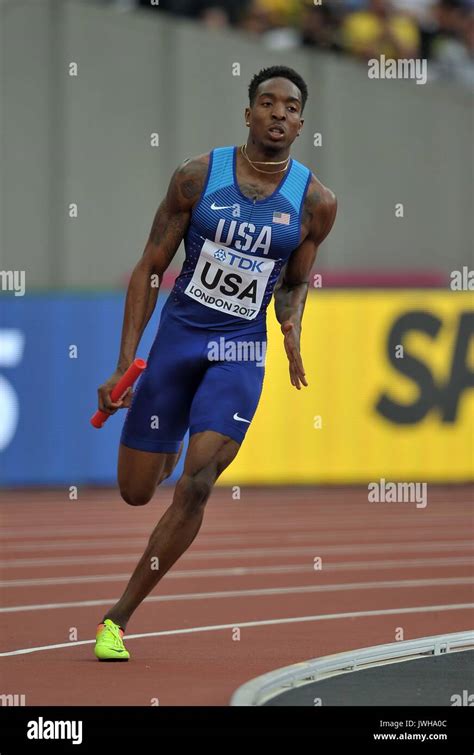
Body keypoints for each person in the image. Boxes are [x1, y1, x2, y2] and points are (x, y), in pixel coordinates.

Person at [94, 65, 337, 661]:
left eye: (291, 107)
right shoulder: (198, 177)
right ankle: (169, 425)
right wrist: (125, 363)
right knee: (135, 491)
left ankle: (116, 620)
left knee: (198, 485)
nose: (279, 113)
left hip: (238, 353)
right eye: (267, 103)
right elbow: (151, 266)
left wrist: (291, 326)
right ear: (248, 113)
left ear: (301, 123)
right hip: (178, 344)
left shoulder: (316, 203)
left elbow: (295, 281)